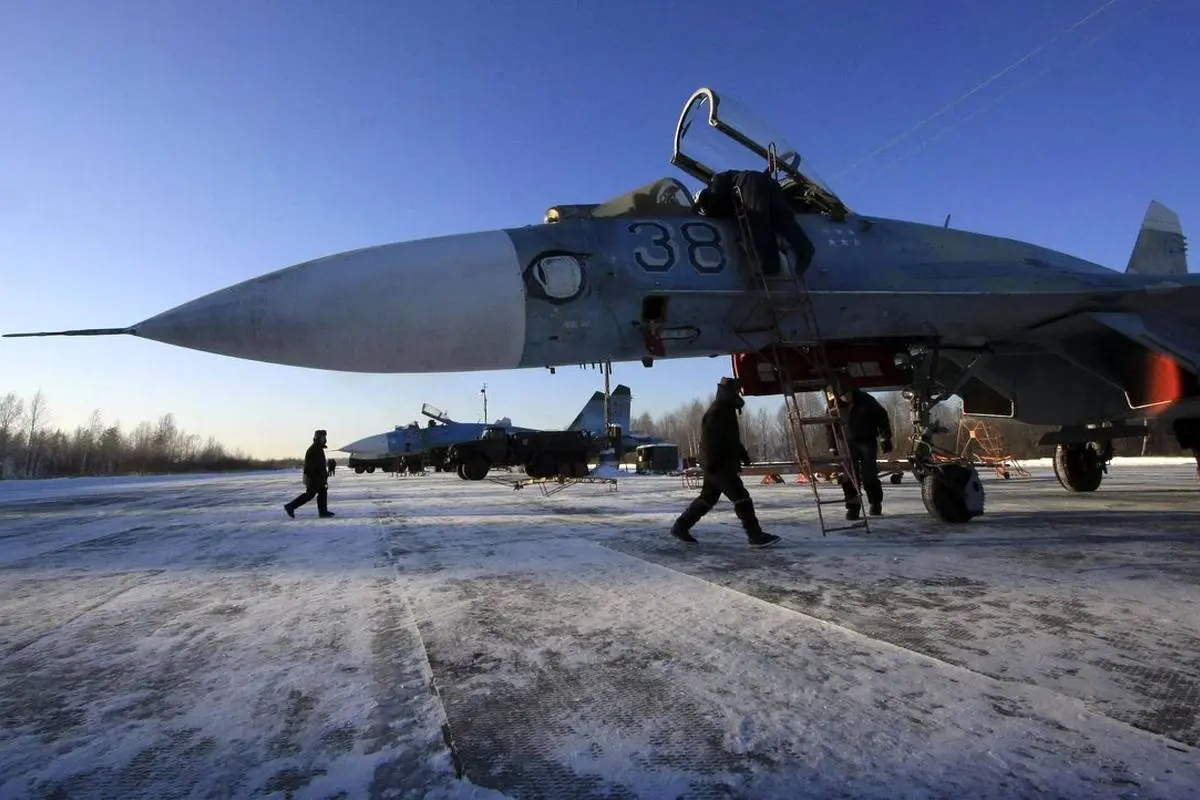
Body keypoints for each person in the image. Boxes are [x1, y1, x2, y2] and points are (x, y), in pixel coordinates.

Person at [670, 377, 781, 548]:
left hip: (716, 464)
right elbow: (710, 440)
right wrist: (712, 462)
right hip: (718, 465)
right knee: (741, 497)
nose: (739, 394)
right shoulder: (719, 410)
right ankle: (755, 535)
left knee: (707, 498)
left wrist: (742, 454)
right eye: (737, 391)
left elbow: (729, 439)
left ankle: (681, 526)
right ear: (731, 392)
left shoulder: (725, 409)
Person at [695, 168, 815, 277]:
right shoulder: (726, 189)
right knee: (783, 220)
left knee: (756, 220)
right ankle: (805, 248)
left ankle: (770, 265)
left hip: (751, 184)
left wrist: (707, 208)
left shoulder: (716, 182)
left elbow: (715, 193)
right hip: (770, 184)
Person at [826, 387, 893, 519]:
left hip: (867, 440)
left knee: (870, 474)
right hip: (846, 443)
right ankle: (853, 508)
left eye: (848, 393)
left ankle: (875, 502)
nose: (846, 397)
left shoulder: (866, 400)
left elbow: (882, 416)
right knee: (849, 476)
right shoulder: (833, 405)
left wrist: (885, 437)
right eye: (843, 395)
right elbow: (830, 427)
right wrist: (832, 447)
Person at [284, 429, 335, 518]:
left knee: (322, 493)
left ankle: (323, 512)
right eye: (323, 437)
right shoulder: (314, 449)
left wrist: (324, 475)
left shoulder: (318, 448)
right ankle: (290, 506)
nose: (324, 439)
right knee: (310, 495)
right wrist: (316, 477)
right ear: (318, 438)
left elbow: (320, 465)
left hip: (317, 477)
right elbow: (310, 466)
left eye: (325, 437)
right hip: (314, 478)